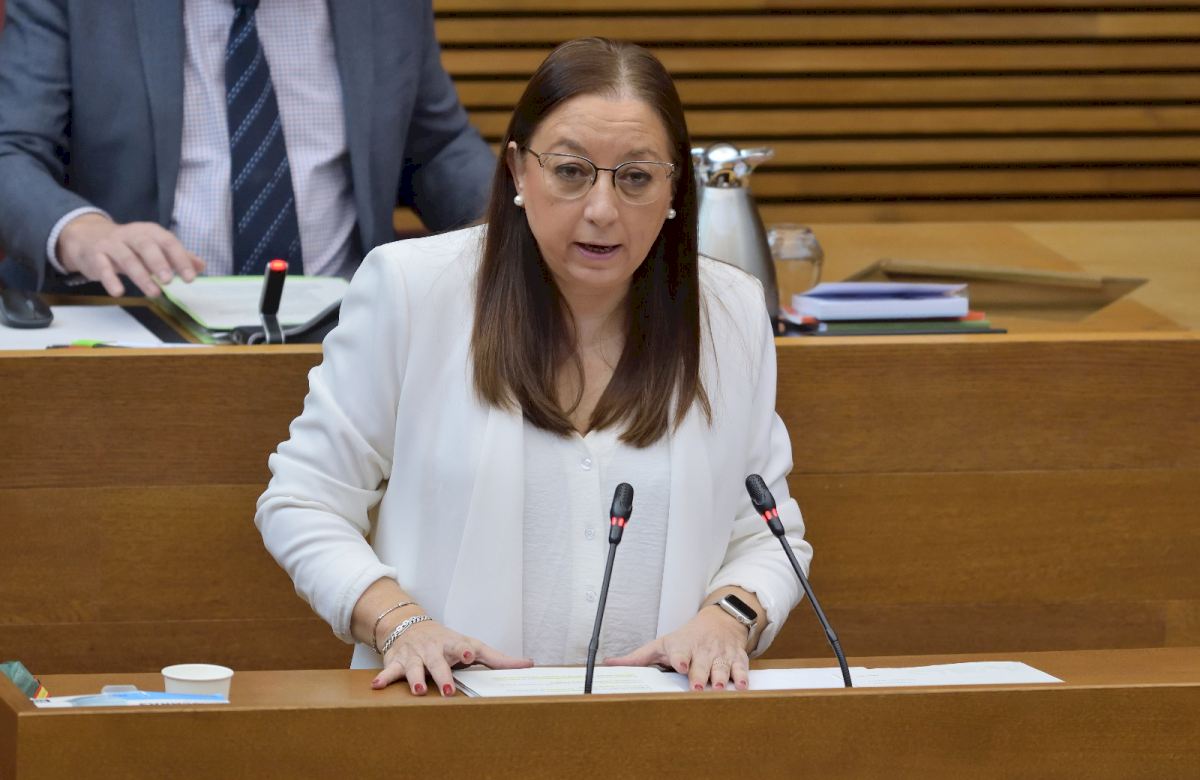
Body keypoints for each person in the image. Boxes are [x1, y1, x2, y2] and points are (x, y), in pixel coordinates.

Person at [255, 38, 811, 696]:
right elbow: (303, 500)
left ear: (673, 188)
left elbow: (769, 536)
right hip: (448, 717)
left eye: (635, 177)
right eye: (571, 171)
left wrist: (729, 619)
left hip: (662, 726)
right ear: (519, 170)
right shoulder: (412, 290)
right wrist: (399, 623)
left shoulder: (728, 313)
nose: (602, 209)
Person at [0, 0, 493, 297]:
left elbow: (435, 149)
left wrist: (517, 215)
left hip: (344, 326)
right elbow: (12, 150)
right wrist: (80, 231)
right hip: (138, 319)